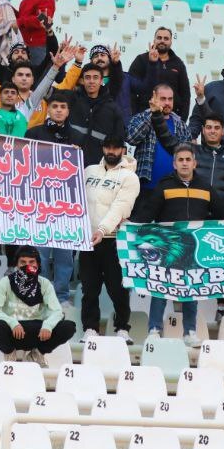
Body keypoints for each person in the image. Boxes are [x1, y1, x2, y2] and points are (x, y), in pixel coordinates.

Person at [134, 143, 224, 345]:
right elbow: (148, 213)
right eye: (181, 160)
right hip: (166, 249)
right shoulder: (164, 185)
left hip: (193, 248)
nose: (185, 163)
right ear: (174, 164)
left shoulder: (206, 187)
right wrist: (130, 223)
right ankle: (154, 329)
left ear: (195, 163)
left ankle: (189, 332)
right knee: (160, 288)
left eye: (188, 159)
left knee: (191, 289)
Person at [153, 80, 224, 213]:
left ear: (223, 131)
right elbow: (168, 140)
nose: (212, 131)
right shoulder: (191, 151)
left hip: (222, 218)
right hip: (194, 214)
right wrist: (156, 115)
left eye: (217, 128)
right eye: (209, 127)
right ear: (203, 130)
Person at [25, 93, 86, 306]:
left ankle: (61, 296)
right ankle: (37, 293)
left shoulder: (78, 137)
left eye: (63, 106)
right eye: (55, 106)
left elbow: (83, 171)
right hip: (39, 203)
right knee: (38, 254)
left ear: (68, 111)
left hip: (66, 206)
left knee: (64, 256)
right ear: (48, 109)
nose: (59, 110)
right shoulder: (33, 133)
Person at [80, 136, 140, 342]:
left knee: (118, 288)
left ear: (123, 150)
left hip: (114, 239)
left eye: (116, 147)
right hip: (87, 239)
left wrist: (103, 229)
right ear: (103, 148)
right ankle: (90, 328)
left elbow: (121, 206)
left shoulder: (130, 177)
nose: (111, 151)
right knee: (89, 288)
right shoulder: (88, 171)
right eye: (108, 147)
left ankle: (122, 328)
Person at [0, 246, 75, 368]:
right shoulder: (6, 282)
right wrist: (13, 323)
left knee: (68, 327)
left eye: (31, 262)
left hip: (37, 332)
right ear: (16, 264)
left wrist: (48, 326)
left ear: (38, 264)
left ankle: (36, 354)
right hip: (13, 331)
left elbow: (57, 311)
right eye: (23, 262)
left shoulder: (44, 283)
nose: (27, 265)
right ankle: (9, 353)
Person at [126, 84, 187, 191]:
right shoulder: (141, 117)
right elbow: (131, 138)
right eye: (163, 99)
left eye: (170, 99)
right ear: (153, 99)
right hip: (145, 186)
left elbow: (187, 153)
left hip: (175, 187)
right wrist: (153, 113)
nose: (167, 103)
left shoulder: (181, 124)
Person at [69, 62, 127, 169]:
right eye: (87, 77)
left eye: (95, 77)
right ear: (82, 80)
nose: (91, 81)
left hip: (98, 169)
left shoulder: (113, 108)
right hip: (69, 164)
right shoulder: (72, 100)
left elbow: (119, 141)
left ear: (101, 81)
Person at [128, 27, 190, 118]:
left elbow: (185, 95)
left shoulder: (178, 64)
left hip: (170, 118)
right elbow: (131, 90)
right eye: (159, 38)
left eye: (166, 38)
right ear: (154, 40)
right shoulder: (141, 60)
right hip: (144, 117)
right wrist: (134, 115)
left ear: (171, 41)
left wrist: (182, 119)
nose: (162, 41)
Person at [17, 0, 56, 67]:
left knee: (38, 78)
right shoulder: (26, 0)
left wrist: (19, 22)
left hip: (39, 46)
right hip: (27, 45)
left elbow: (43, 20)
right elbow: (22, 18)